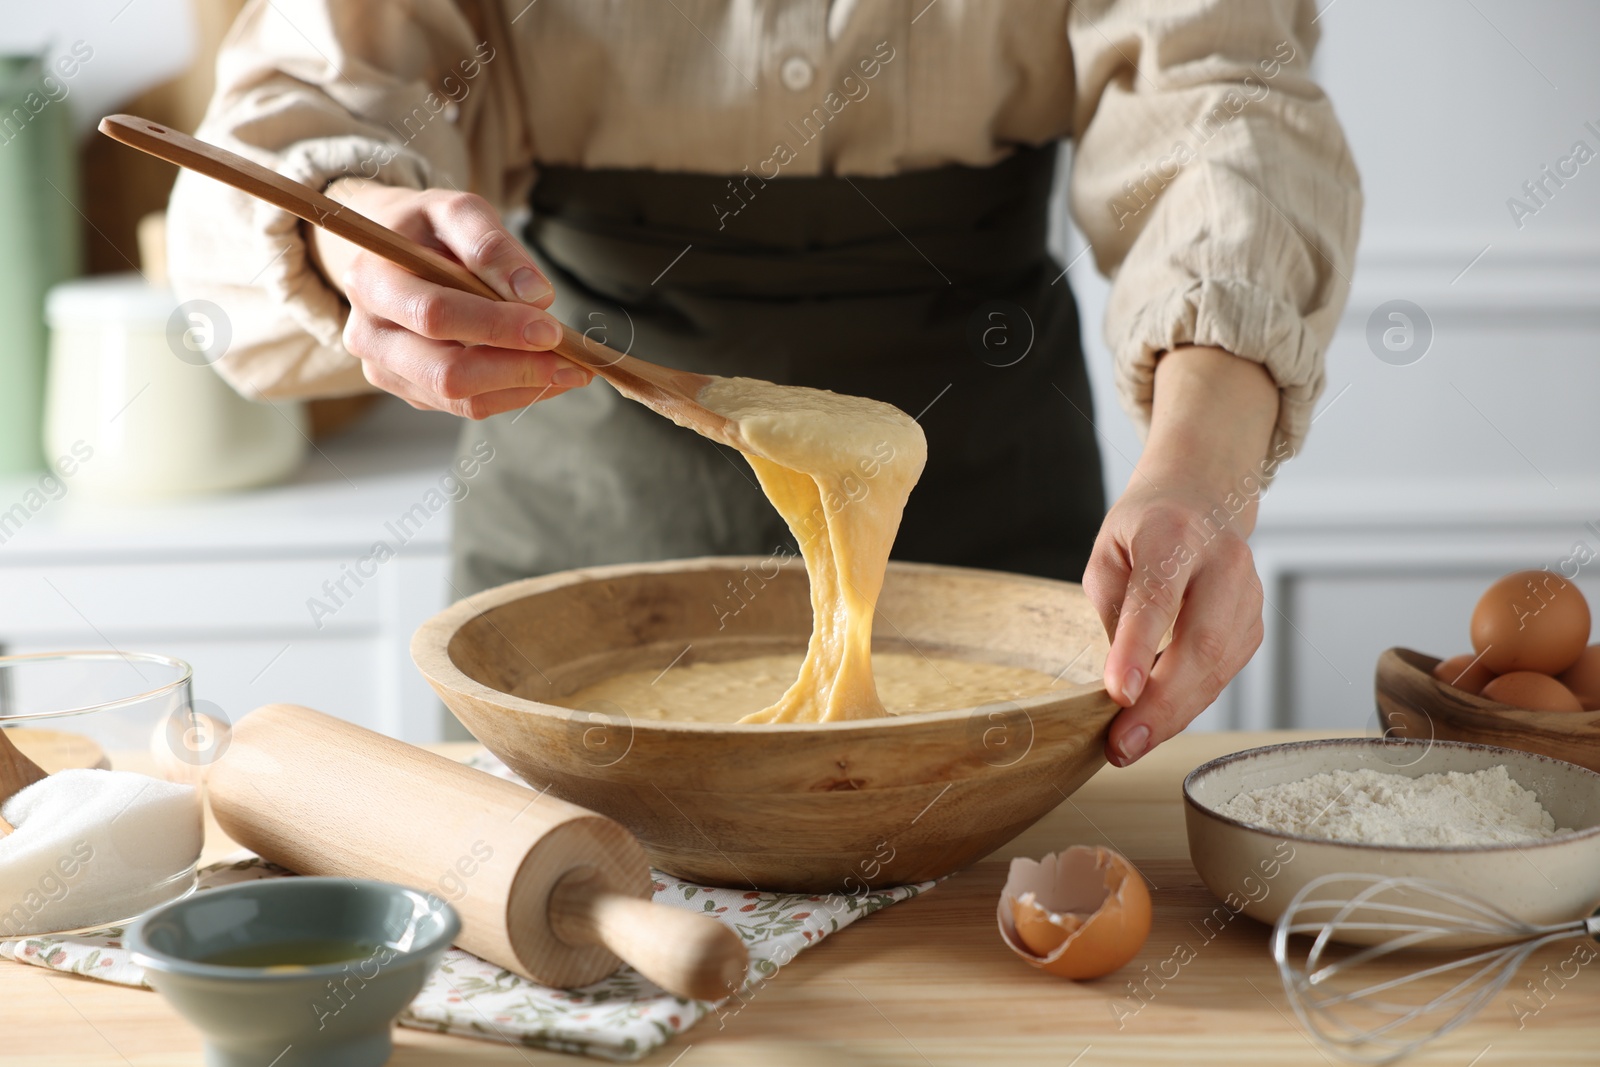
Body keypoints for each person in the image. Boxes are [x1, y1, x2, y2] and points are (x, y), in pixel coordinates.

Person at [167, 0, 1360, 766]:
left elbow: (1224, 105)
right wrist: (352, 232)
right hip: (580, 534)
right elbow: (311, 95)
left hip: (994, 514)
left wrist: (1202, 470)